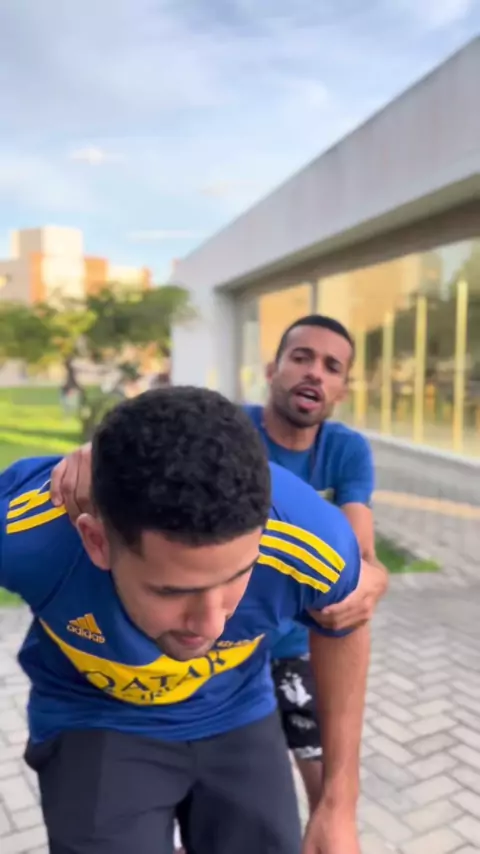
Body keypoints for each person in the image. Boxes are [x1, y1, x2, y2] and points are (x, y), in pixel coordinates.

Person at [1, 387, 370, 854]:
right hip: (94, 715)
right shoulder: (26, 533)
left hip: (236, 706)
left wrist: (338, 804)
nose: (211, 625)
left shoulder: (314, 543)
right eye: (172, 591)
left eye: (238, 576)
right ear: (96, 541)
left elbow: (344, 624)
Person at [244, 315, 388, 813]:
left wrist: (374, 580)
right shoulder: (230, 432)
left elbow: (361, 556)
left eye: (332, 367)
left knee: (330, 793)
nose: (315, 373)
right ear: (273, 370)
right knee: (240, 809)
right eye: (301, 357)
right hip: (225, 645)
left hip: (299, 648)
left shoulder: (345, 450)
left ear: (342, 390)